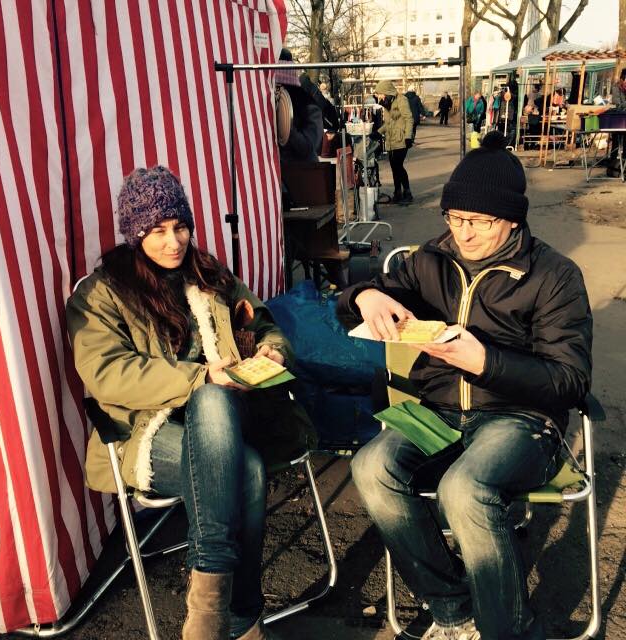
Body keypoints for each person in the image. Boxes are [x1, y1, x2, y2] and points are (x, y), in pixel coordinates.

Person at [338, 131, 592, 640]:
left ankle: (509, 630)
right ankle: (453, 612)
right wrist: (363, 296)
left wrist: (486, 362)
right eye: (454, 218)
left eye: (480, 221)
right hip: (437, 410)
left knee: (464, 487)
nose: (465, 234)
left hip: (519, 417)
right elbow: (358, 300)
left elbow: (570, 380)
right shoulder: (429, 259)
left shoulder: (554, 275)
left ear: (513, 219)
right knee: (370, 466)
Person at [67, 166, 316, 640]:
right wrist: (200, 376)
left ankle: (209, 614)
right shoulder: (102, 293)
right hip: (146, 429)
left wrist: (272, 350)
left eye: (180, 226)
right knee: (247, 470)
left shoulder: (207, 273)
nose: (173, 241)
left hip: (230, 416)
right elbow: (106, 373)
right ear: (135, 233)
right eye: (158, 230)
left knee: (215, 402)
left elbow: (263, 322)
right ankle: (241, 620)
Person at [375, 79, 414, 204]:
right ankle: (397, 193)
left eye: (380, 93)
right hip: (391, 140)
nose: (379, 96)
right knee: (394, 167)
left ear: (387, 91)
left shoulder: (401, 100)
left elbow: (409, 119)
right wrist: (378, 132)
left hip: (402, 139)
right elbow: (388, 123)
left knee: (398, 166)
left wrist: (408, 137)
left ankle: (407, 193)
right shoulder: (387, 103)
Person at [607, 68, 626, 177]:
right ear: (623, 78)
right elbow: (618, 103)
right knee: (616, 143)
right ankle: (613, 166)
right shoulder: (616, 87)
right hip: (618, 119)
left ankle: (624, 166)